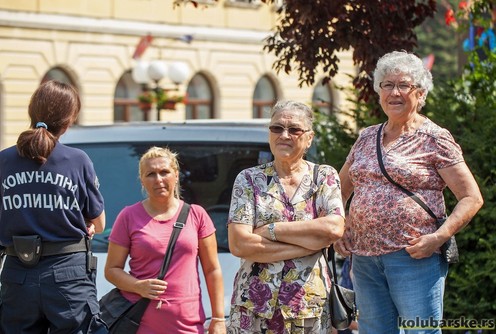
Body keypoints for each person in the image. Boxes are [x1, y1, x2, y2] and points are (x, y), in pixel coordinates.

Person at [335, 50, 484, 334]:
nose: (394, 92)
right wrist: (340, 227)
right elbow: (338, 191)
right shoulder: (366, 137)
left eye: (404, 85)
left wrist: (438, 238)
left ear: (420, 92)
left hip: (414, 257)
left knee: (421, 331)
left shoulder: (434, 138)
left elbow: (471, 197)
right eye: (387, 85)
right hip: (364, 259)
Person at [227, 100, 346, 334]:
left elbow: (333, 229)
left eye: (294, 129)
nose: (284, 135)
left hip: (308, 306)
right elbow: (240, 244)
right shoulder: (248, 180)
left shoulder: (323, 176)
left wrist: (272, 230)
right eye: (277, 128)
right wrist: (311, 244)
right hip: (253, 307)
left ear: (309, 138)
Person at [0, 80, 107, 333]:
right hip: (67, 273)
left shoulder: (3, 160)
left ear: (31, 111)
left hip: (17, 274)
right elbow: (100, 223)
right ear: (69, 121)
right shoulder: (77, 160)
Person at [104, 146, 226, 334]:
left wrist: (218, 318)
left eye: (164, 172)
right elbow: (111, 270)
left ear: (176, 175)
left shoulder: (197, 215)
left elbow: (212, 270)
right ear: (142, 181)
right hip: (139, 323)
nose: (158, 179)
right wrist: (138, 286)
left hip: (188, 324)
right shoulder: (128, 216)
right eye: (150, 174)